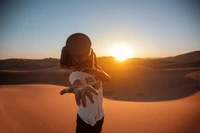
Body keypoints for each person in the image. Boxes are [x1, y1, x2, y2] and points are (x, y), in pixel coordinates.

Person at [60, 33, 111, 133]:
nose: (79, 59)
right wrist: (78, 88)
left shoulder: (97, 70)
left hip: (100, 117)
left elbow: (108, 79)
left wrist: (95, 70)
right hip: (85, 120)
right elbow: (76, 83)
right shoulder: (75, 74)